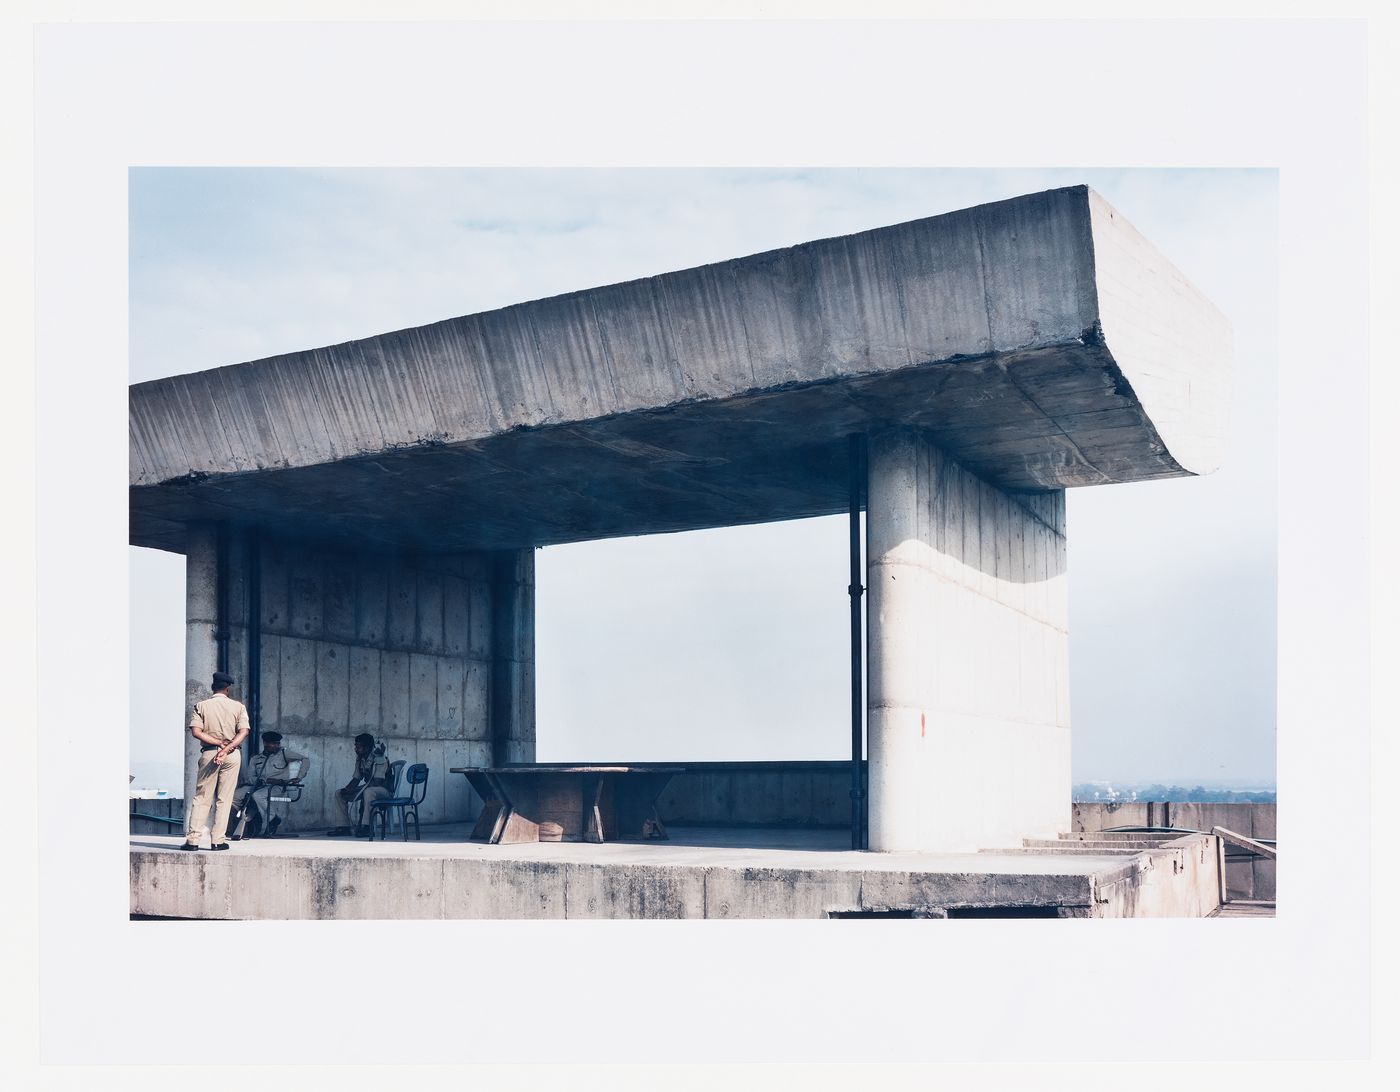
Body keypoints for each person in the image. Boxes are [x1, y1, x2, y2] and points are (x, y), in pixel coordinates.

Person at [182, 670, 250, 851]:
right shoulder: (238, 707)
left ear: (213, 687)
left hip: (209, 752)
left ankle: (193, 841)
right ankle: (217, 841)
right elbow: (243, 732)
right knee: (224, 798)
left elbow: (196, 732)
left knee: (202, 797)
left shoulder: (201, 706)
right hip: (232, 754)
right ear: (227, 689)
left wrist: (218, 745)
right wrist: (226, 748)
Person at [230, 731, 311, 840]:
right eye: (272, 744)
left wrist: (299, 777)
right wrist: (264, 780)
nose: (276, 746)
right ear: (265, 744)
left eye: (277, 743)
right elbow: (250, 777)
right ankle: (243, 820)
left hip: (277, 787)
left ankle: (273, 818)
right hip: (259, 785)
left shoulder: (284, 754)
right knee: (235, 796)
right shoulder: (256, 759)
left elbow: (305, 759)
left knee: (258, 796)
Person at [327, 733, 393, 837]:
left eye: (359, 747)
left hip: (384, 791)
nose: (356, 749)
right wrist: (347, 789)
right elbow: (356, 778)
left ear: (367, 748)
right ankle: (343, 827)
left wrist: (357, 790)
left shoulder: (379, 758)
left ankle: (367, 827)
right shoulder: (360, 758)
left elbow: (377, 782)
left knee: (368, 791)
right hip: (368, 789)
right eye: (355, 746)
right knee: (339, 793)